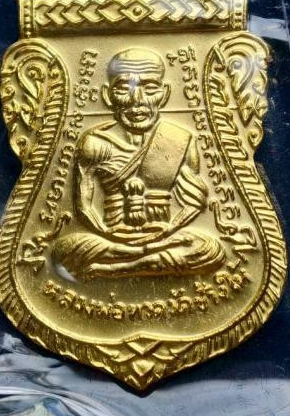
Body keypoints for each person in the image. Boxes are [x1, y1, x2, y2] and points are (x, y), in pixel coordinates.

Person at [52, 47, 224, 279]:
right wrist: (109, 234)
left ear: (165, 94)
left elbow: (194, 203)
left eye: (150, 88)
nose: (137, 100)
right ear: (107, 95)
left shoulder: (179, 139)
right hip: (112, 239)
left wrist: (166, 232)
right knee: (63, 251)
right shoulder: (95, 143)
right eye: (124, 88)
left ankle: (119, 268)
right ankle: (143, 261)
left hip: (164, 237)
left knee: (209, 249)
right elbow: (83, 206)